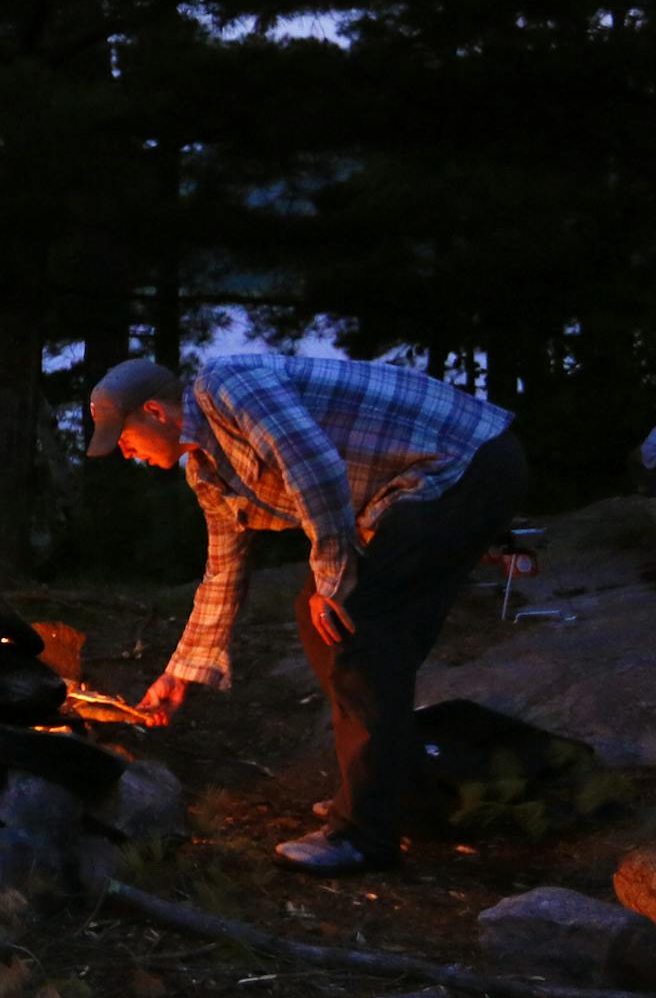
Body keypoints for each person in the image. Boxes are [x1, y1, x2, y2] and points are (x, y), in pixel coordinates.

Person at [86, 355, 527, 876]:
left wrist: (333, 577)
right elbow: (223, 573)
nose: (127, 454)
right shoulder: (208, 471)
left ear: (156, 412)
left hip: (462, 462)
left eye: (126, 439)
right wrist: (181, 671)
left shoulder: (228, 385)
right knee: (336, 626)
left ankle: (366, 834)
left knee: (356, 629)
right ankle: (390, 791)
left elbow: (313, 465)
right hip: (416, 490)